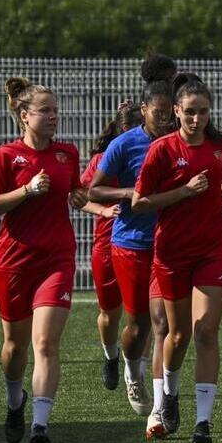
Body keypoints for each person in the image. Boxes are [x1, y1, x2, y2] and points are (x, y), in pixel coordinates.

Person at [132, 73, 222, 443]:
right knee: (177, 336)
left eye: (204, 112)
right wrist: (184, 191)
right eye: (190, 112)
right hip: (173, 252)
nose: (197, 119)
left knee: (206, 330)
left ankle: (203, 422)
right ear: (176, 111)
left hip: (213, 248)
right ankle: (170, 396)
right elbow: (139, 202)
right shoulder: (161, 149)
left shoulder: (221, 146)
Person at [0, 77, 89, 443]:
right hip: (14, 261)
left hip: (56, 259)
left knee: (46, 343)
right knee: (15, 348)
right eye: (46, 111)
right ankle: (15, 403)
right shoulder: (6, 156)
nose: (54, 116)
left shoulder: (67, 154)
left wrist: (81, 197)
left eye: (56, 110)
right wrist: (26, 190)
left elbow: (75, 191)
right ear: (24, 116)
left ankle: (40, 425)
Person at [88, 56, 176, 436]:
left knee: (163, 325)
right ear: (144, 110)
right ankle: (130, 368)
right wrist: (127, 192)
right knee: (136, 326)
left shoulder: (179, 142)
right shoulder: (125, 144)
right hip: (131, 244)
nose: (166, 120)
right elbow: (93, 188)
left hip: (170, 244)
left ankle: (160, 407)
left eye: (169, 113)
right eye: (158, 113)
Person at [80, 101, 140, 392]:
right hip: (105, 245)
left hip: (139, 243)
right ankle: (110, 356)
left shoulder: (150, 152)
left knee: (140, 314)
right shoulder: (103, 160)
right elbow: (79, 197)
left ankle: (136, 370)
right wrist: (102, 211)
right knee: (109, 314)